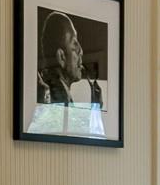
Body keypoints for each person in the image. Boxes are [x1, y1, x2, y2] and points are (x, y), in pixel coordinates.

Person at [30, 10, 107, 138]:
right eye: (74, 43)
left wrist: (95, 108)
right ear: (61, 57)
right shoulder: (49, 98)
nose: (81, 51)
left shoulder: (59, 97)